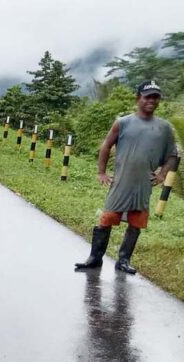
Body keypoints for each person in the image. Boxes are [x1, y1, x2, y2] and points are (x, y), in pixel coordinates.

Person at [75, 80, 179, 274]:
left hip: (143, 185)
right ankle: (94, 258)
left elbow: (173, 155)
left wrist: (162, 174)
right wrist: (101, 172)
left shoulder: (164, 128)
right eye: (148, 96)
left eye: (156, 97)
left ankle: (123, 261)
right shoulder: (123, 122)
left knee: (136, 222)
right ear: (138, 98)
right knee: (106, 218)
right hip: (121, 181)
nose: (152, 100)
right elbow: (106, 146)